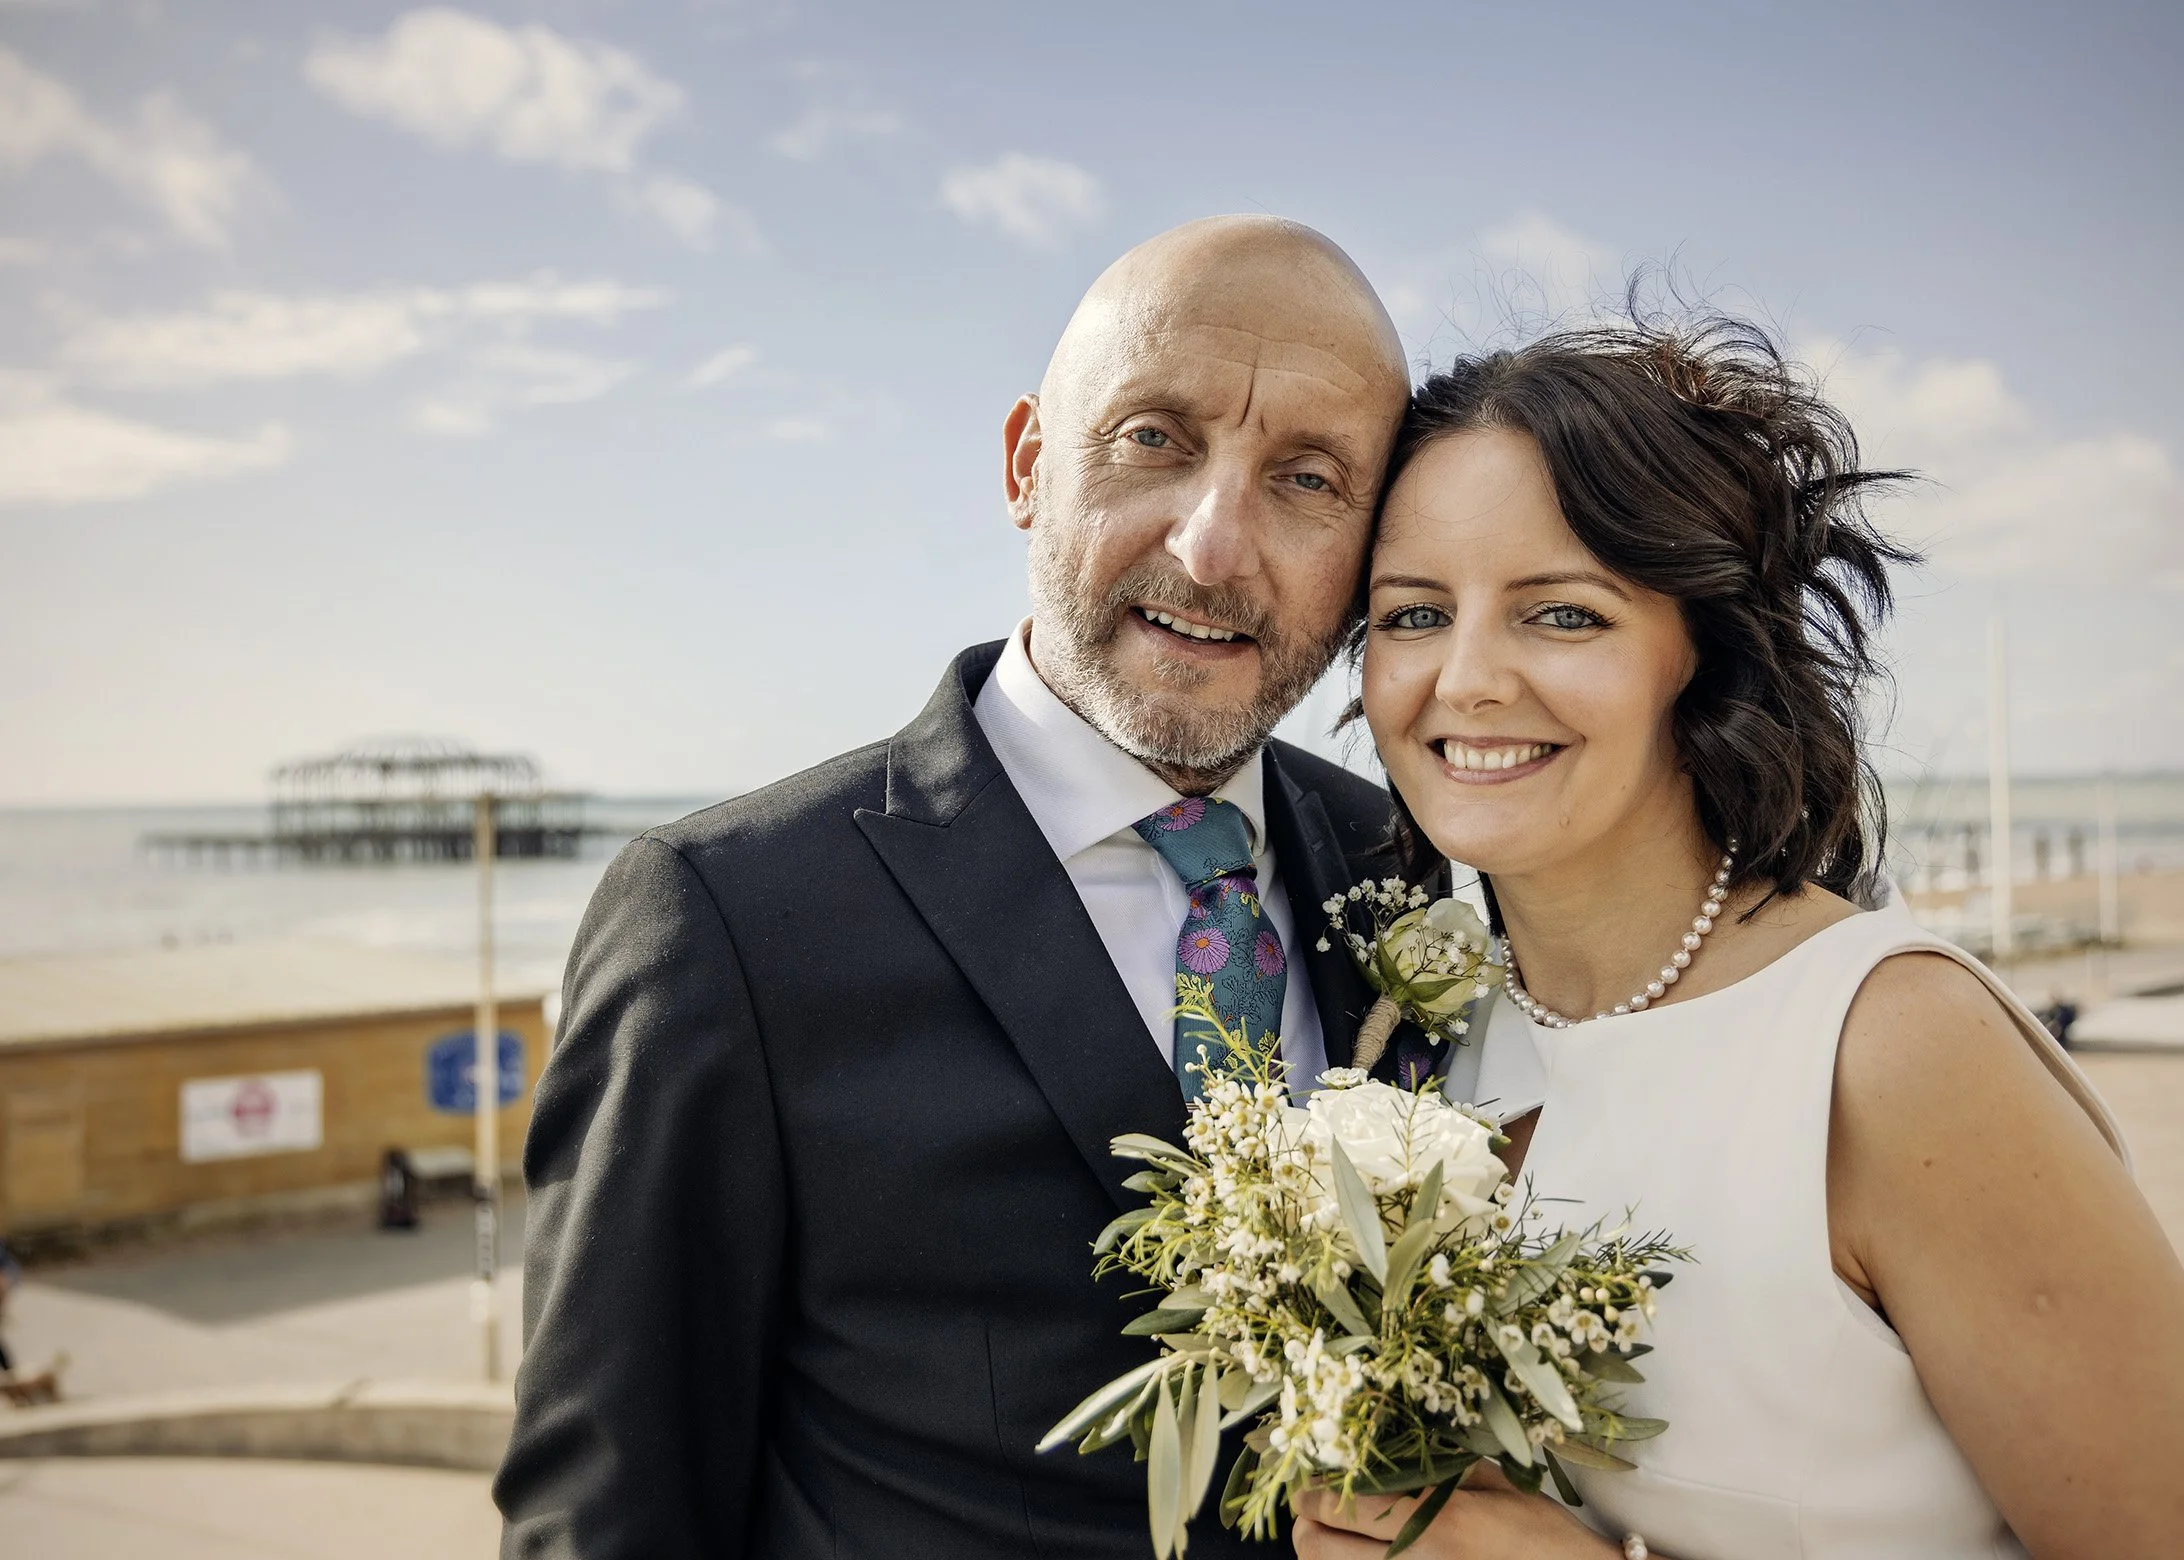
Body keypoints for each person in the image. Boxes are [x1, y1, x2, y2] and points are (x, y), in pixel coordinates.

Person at [495, 216, 1419, 1557]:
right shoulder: (724, 925)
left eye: (1309, 480)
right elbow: (604, 1518)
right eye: (1155, 438)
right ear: (1030, 463)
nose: (1214, 547)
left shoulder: (1409, 872)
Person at [1294, 316, 2184, 1558]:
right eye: (1414, 614)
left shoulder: (1889, 1053)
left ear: (1701, 651)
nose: (1470, 678)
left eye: (1563, 616)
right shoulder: (1424, 1044)